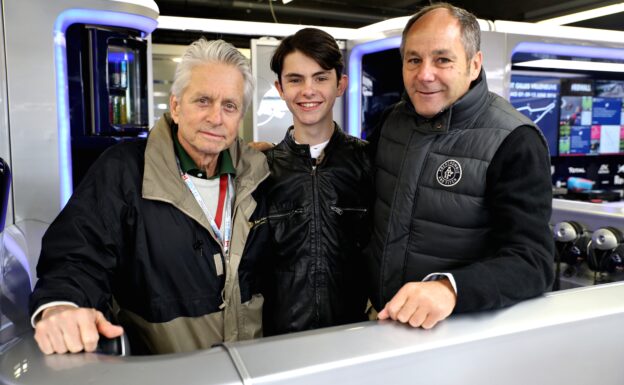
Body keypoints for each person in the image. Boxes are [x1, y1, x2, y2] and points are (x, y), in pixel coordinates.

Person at [29, 38, 270, 355]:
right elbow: (78, 255)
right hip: (166, 374)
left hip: (254, 371)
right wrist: (62, 306)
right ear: (175, 106)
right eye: (202, 101)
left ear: (240, 117)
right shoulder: (124, 170)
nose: (216, 117)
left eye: (230, 106)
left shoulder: (260, 174)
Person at [366, 3, 554, 329]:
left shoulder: (514, 140)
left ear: (473, 63)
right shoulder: (392, 122)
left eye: (443, 60)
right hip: (383, 324)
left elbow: (533, 262)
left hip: (455, 333)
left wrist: (451, 288)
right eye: (414, 60)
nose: (425, 74)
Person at [259, 28, 374, 335]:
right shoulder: (260, 171)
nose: (308, 90)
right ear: (280, 88)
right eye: (295, 79)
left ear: (341, 85)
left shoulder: (369, 163)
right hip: (279, 343)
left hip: (355, 340)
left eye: (321, 77)